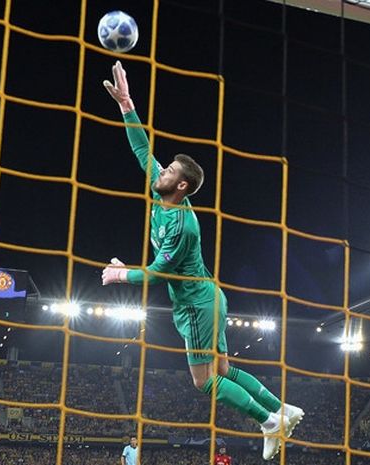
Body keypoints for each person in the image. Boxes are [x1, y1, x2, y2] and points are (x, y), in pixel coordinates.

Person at [101, 60, 304, 461]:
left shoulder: (181, 225)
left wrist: (121, 274)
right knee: (225, 371)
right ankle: (282, 408)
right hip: (209, 297)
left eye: (169, 170)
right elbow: (143, 149)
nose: (160, 170)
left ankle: (268, 421)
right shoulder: (163, 193)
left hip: (196, 305)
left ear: (181, 185)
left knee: (204, 381)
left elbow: (159, 273)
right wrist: (127, 104)